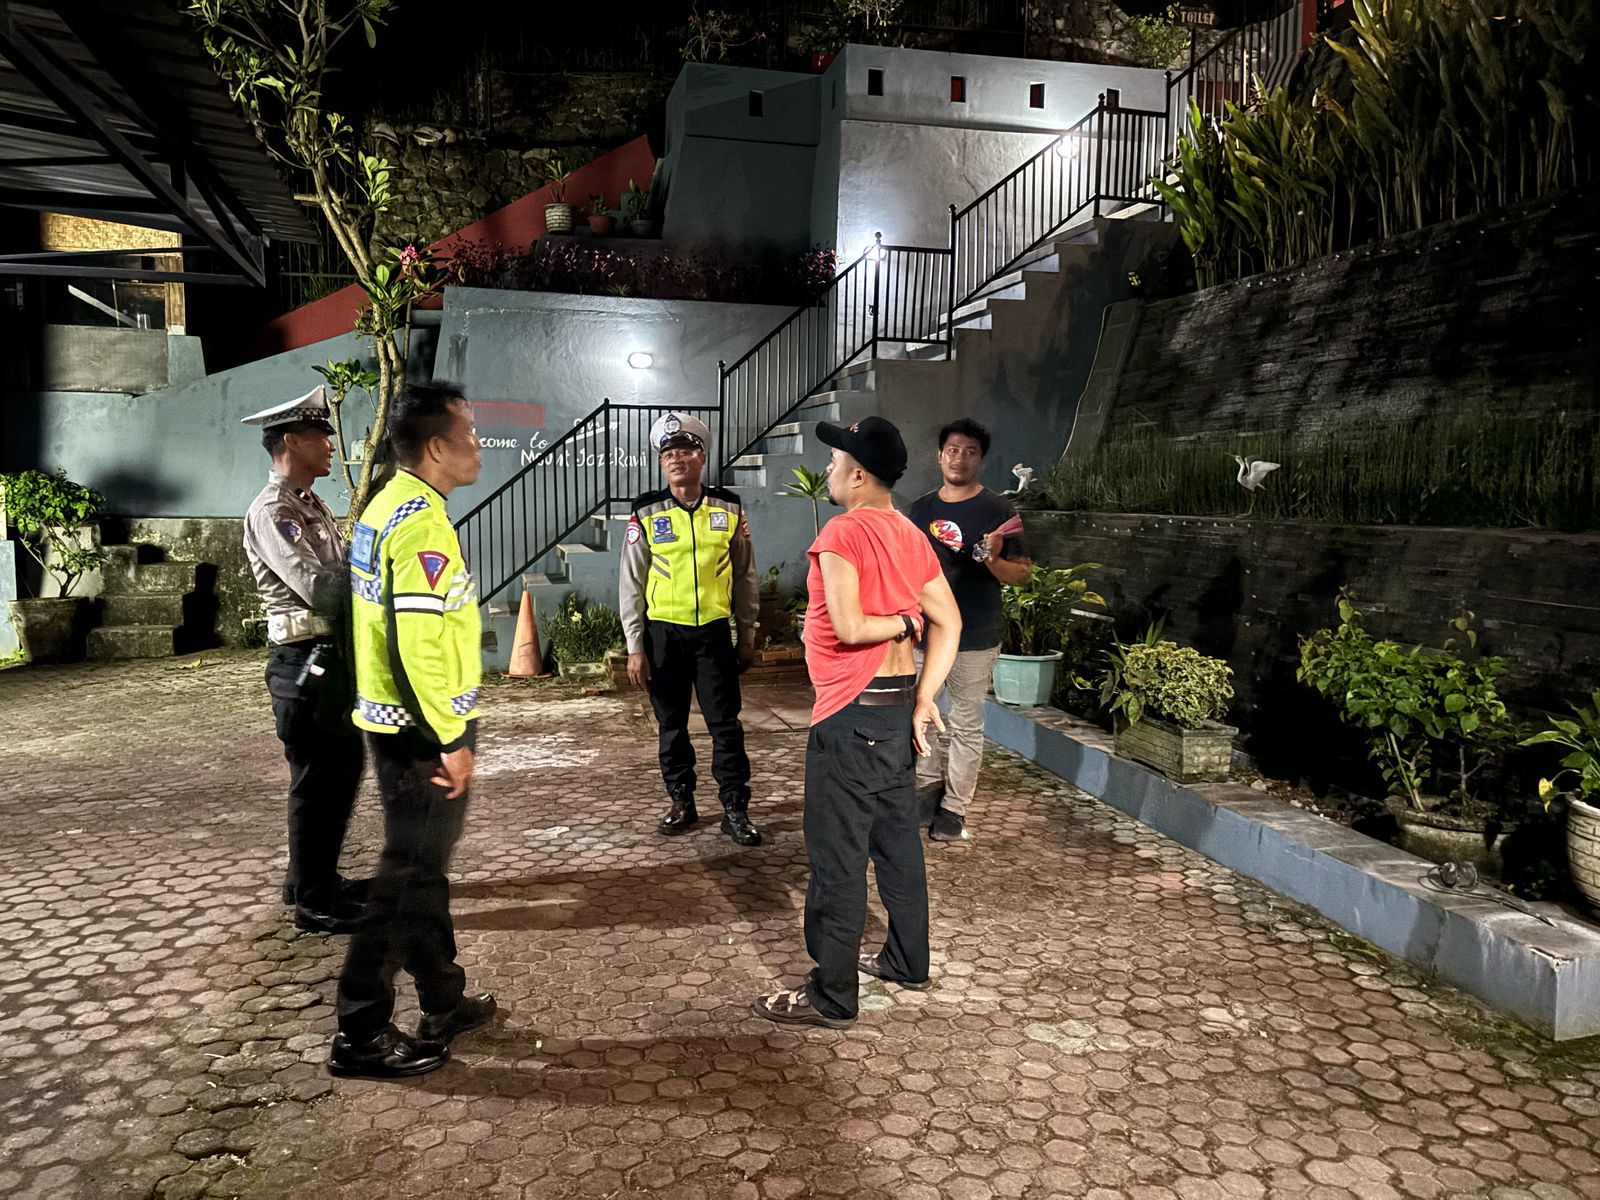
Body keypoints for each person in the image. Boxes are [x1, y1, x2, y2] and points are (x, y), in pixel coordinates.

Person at [753, 416, 961, 1028]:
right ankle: (907, 961)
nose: (828, 468)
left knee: (838, 861)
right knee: (897, 847)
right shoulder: (910, 533)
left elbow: (849, 626)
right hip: (895, 712)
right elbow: (951, 620)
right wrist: (925, 698)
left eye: (836, 459)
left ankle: (832, 996)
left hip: (850, 716)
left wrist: (904, 623)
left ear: (860, 474)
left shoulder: (844, 532)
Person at [327, 381, 495, 1079]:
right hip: (422, 731)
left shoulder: (386, 503)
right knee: (405, 878)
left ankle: (442, 1000)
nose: (478, 446)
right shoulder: (422, 524)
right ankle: (359, 1031)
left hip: (392, 719)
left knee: (423, 873)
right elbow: (417, 644)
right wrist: (449, 738)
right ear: (435, 448)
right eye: (469, 434)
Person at [241, 386, 366, 935]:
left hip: (324, 658)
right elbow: (319, 587)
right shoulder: (275, 511)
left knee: (336, 772)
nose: (331, 445)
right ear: (291, 441)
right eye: (320, 435)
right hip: (302, 658)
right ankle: (313, 902)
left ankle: (312, 879)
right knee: (321, 778)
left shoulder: (309, 503)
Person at [618, 411, 762, 846]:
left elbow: (745, 575)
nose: (677, 459)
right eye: (668, 455)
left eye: (685, 451)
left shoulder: (728, 507)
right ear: (662, 464)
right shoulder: (647, 512)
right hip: (663, 637)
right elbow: (631, 582)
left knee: (725, 725)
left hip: (713, 634)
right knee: (672, 725)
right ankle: (682, 801)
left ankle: (735, 808)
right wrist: (635, 646)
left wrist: (748, 634)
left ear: (702, 457)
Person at [906, 418, 1031, 842]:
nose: (960, 458)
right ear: (939, 456)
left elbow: (1021, 575)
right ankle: (926, 791)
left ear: (981, 459)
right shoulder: (920, 510)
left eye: (970, 451)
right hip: (925, 634)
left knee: (964, 724)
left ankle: (955, 807)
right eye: (953, 450)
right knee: (921, 714)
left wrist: (993, 558)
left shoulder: (998, 511)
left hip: (975, 636)